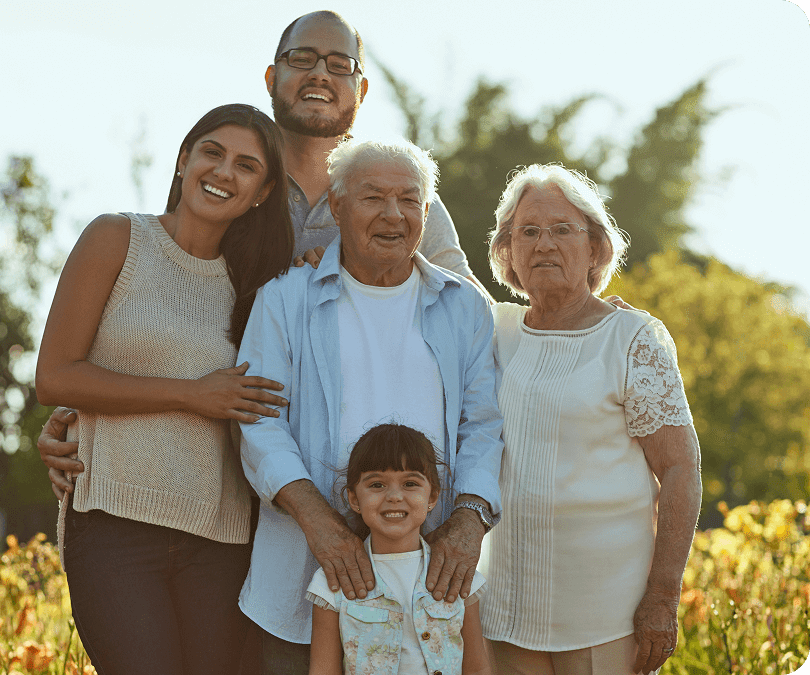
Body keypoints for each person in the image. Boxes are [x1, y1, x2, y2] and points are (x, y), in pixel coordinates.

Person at [38, 10, 489, 502]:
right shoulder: (231, 181)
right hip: (212, 465)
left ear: (361, 90)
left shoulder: (394, 195)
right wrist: (78, 411)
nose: (320, 74)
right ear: (273, 77)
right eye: (303, 59)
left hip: (357, 472)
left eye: (340, 65)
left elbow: (465, 319)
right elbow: (162, 306)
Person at [34, 103, 293, 674]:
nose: (224, 172)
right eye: (212, 153)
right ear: (183, 161)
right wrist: (190, 393)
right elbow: (54, 376)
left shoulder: (263, 286)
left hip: (221, 539)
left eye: (246, 166)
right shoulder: (116, 239)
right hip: (114, 527)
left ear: (262, 192)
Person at [236, 138, 503, 673]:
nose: (392, 214)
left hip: (435, 590)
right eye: (372, 198)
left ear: (426, 214)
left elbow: (484, 426)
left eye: (408, 200)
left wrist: (470, 520)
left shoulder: (465, 306)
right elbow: (259, 423)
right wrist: (320, 523)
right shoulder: (285, 299)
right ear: (335, 206)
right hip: (302, 579)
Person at [477, 164, 702, 675]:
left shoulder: (631, 339)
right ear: (507, 251)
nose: (544, 244)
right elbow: (433, 277)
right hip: (505, 610)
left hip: (608, 615)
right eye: (527, 232)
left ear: (595, 248)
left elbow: (681, 469)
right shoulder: (494, 330)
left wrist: (663, 595)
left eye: (562, 230)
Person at [306, 423, 492, 675]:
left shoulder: (457, 574)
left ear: (433, 497)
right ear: (353, 499)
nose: (394, 496)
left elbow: (478, 667)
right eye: (377, 485)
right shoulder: (332, 583)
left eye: (410, 483)